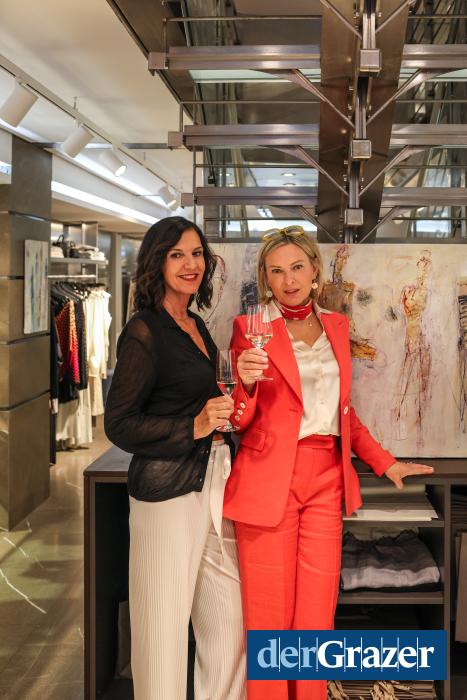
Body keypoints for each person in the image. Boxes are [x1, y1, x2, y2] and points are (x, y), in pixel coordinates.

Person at [224, 226, 434, 700]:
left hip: (325, 481)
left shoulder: (336, 325)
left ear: (315, 270)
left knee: (316, 618)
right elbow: (240, 420)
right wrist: (245, 383)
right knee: (270, 619)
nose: (289, 280)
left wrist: (385, 462)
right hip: (269, 480)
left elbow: (344, 413)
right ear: (266, 278)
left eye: (297, 267)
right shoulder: (250, 328)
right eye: (277, 271)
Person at [104, 216, 245, 700]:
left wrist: (228, 403)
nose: (190, 264)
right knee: (161, 634)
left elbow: (196, 396)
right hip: (166, 497)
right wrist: (194, 426)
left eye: (197, 253)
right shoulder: (143, 331)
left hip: (213, 484)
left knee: (230, 626)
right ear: (157, 263)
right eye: (177, 255)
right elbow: (120, 424)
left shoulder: (195, 324)